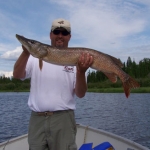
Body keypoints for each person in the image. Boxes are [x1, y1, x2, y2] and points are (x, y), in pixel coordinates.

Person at [13, 18, 93, 150]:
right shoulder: (33, 57)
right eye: (56, 31)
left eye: (64, 32)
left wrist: (81, 72)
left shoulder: (78, 59)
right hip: (37, 120)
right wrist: (26, 50)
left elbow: (80, 94)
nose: (60, 35)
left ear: (69, 37)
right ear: (50, 35)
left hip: (63, 120)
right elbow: (17, 74)